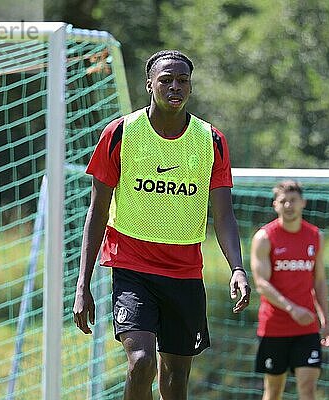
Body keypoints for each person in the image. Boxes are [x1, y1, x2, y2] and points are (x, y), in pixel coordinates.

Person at [72, 50, 251, 400]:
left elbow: (224, 215)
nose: (174, 86)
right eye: (166, 79)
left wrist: (238, 268)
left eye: (182, 80)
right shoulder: (121, 133)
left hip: (185, 273)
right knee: (140, 362)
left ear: (190, 87)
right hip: (132, 267)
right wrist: (83, 283)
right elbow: (97, 212)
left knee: (175, 378)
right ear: (149, 84)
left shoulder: (210, 139)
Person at [251, 180, 329, 400]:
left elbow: (320, 281)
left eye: (293, 200)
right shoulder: (264, 238)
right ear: (275, 205)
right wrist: (292, 308)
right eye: (283, 201)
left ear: (303, 203)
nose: (289, 205)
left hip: (307, 328)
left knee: (307, 388)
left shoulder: (315, 236)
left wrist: (325, 320)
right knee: (273, 392)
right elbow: (261, 284)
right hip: (274, 327)